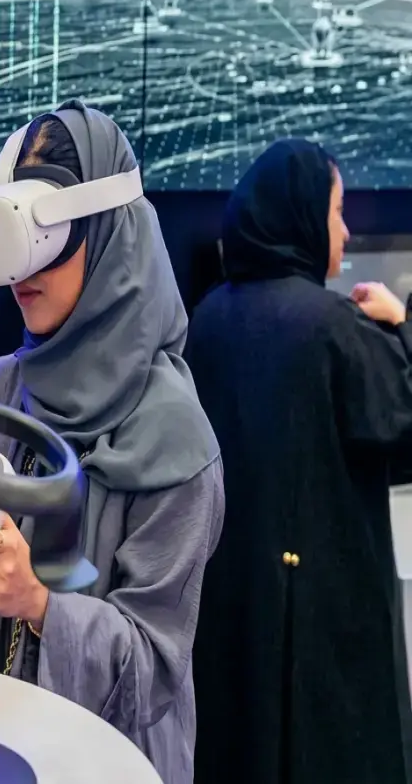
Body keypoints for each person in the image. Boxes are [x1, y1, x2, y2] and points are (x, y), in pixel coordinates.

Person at [0, 100, 224, 784]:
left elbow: (155, 669)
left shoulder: (175, 437)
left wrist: (40, 604)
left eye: (47, 230)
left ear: (107, 236)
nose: (22, 268)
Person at [185, 138, 412, 784]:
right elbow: (402, 424)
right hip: (325, 615)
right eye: (336, 211)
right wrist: (401, 326)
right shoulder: (333, 325)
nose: (345, 230)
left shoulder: (208, 319)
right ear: (304, 215)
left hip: (231, 608)